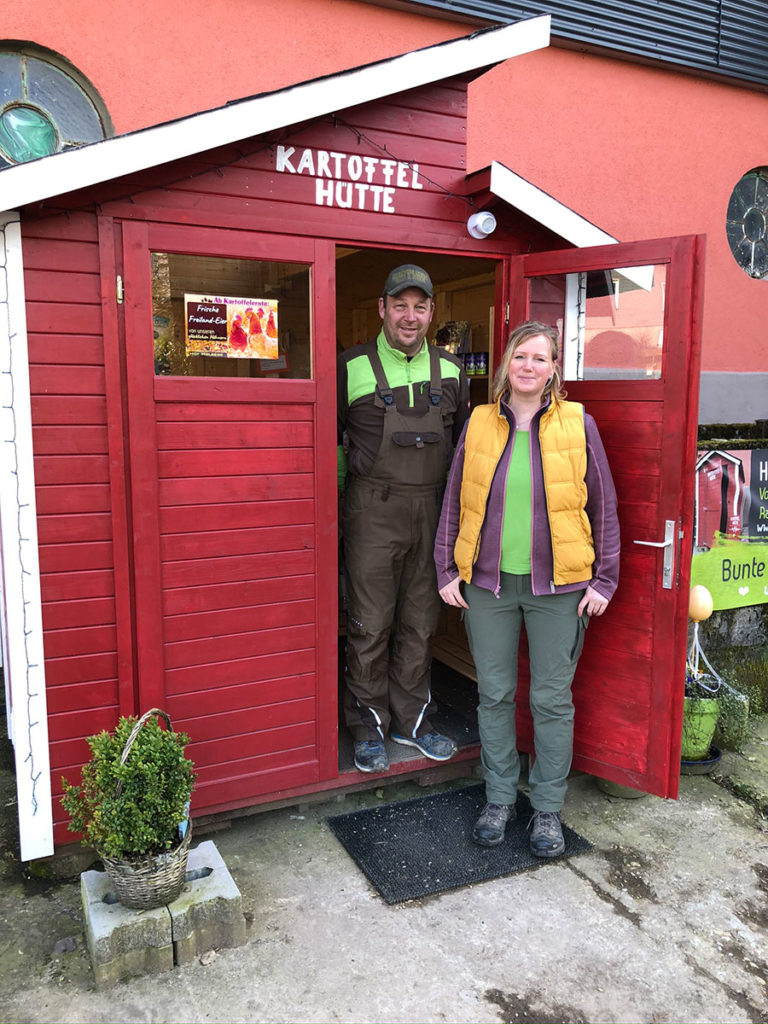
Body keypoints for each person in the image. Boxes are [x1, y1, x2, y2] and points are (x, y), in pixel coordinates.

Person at [434, 320, 620, 856]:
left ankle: (546, 810)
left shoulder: (578, 425)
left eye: (540, 358)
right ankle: (498, 798)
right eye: (521, 356)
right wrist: (447, 570)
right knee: (493, 694)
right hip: (489, 586)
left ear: (554, 369)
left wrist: (604, 578)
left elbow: (603, 508)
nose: (529, 366)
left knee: (551, 699)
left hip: (558, 589)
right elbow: (455, 500)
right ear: (506, 364)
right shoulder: (478, 424)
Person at [338, 264, 470, 773]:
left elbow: (464, 453)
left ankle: (412, 721)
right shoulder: (350, 366)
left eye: (419, 306)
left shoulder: (453, 372)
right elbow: (327, 447)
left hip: (434, 512)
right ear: (382, 309)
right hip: (372, 511)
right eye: (400, 305)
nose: (409, 316)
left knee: (421, 622)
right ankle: (366, 725)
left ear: (432, 312)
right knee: (370, 624)